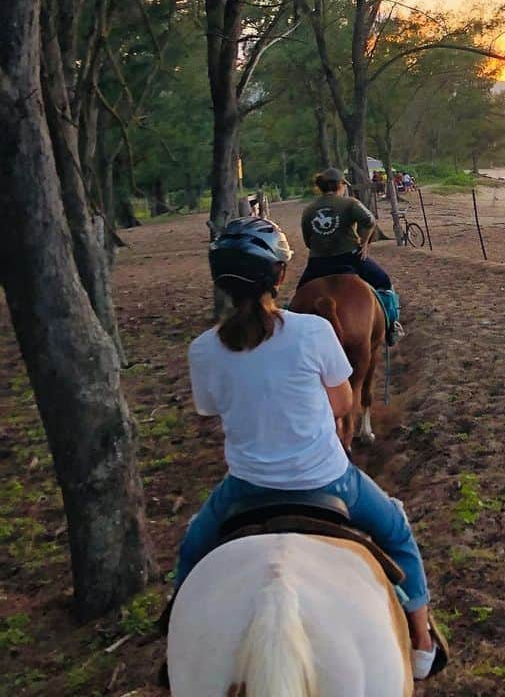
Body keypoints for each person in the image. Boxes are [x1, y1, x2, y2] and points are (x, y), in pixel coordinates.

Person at [173, 217, 444, 680]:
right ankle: (421, 642)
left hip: (244, 488)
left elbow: (211, 409)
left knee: (192, 550)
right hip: (328, 478)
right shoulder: (312, 333)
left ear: (221, 280)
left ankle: (175, 639)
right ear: (279, 277)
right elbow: (342, 402)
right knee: (397, 529)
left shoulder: (203, 349)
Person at [299, 167, 404, 344]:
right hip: (350, 258)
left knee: (298, 296)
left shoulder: (309, 210)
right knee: (384, 282)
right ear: (340, 185)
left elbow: (307, 241)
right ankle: (391, 327)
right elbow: (369, 220)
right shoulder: (350, 203)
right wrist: (363, 243)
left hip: (318, 263)